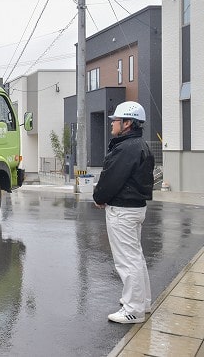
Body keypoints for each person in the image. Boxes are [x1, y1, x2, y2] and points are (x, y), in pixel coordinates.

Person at [93, 101, 155, 324]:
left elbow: (111, 179)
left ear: (127, 123)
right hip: (135, 208)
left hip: (123, 211)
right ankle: (142, 302)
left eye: (116, 121)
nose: (112, 125)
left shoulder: (125, 148)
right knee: (135, 257)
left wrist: (99, 198)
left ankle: (133, 309)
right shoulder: (140, 145)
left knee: (127, 261)